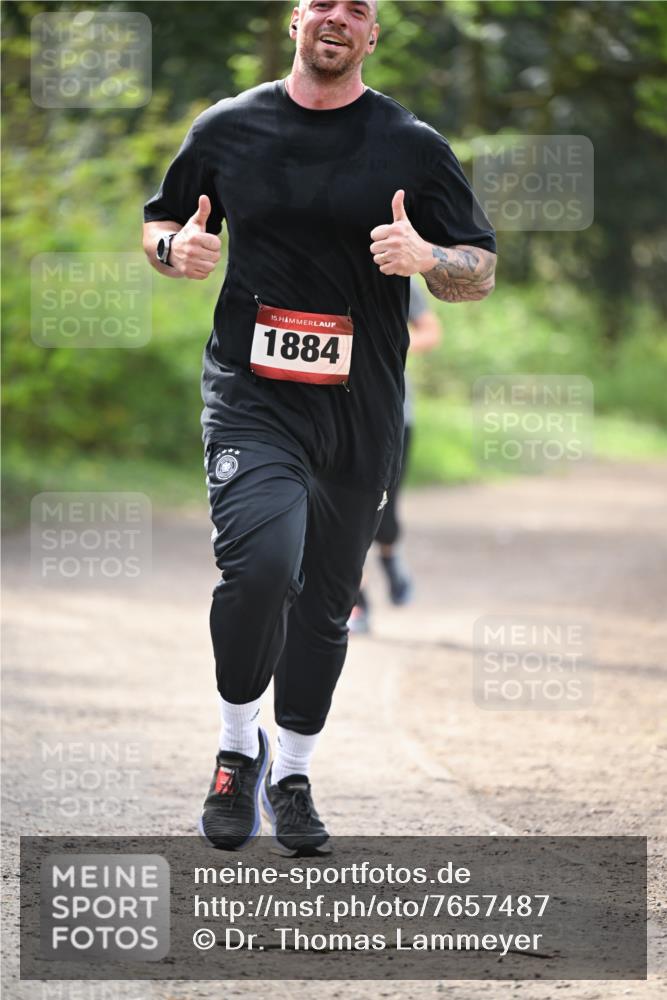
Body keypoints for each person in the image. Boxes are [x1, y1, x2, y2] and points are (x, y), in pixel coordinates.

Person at [142, 0, 496, 856]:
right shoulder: (229, 127)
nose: (337, 17)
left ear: (371, 34)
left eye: (357, 8)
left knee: (327, 605)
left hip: (360, 408)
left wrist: (428, 261)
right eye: (322, 3)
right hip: (251, 395)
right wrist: (171, 252)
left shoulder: (410, 145)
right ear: (297, 20)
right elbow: (163, 220)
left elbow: (477, 269)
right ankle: (236, 751)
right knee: (262, 565)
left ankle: (291, 773)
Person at [348, 275, 442, 634]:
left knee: (381, 516)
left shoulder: (398, 273)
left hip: (393, 413)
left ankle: (389, 553)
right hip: (336, 410)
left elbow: (431, 330)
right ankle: (357, 603)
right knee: (340, 513)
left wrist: (392, 343)